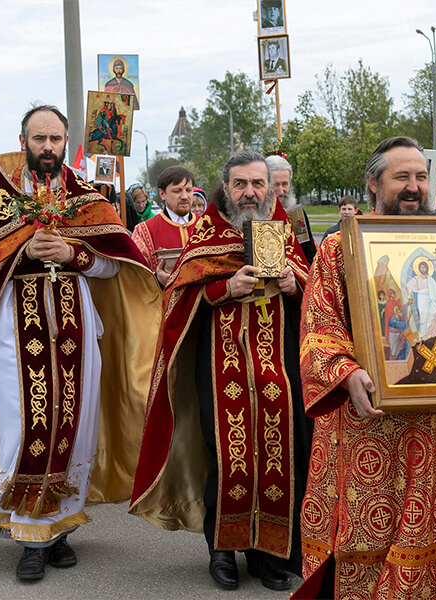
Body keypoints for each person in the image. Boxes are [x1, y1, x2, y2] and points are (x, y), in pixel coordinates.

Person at [0, 104, 161, 582]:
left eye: (56, 139)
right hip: (13, 334)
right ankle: (27, 534)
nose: (48, 148)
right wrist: (22, 250)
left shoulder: (85, 194)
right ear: (24, 142)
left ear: (64, 142)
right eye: (39, 139)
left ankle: (58, 530)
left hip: (78, 331)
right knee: (26, 426)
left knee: (73, 427)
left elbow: (115, 265)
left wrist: (73, 252)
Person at [294, 136, 436, 599]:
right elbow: (318, 331)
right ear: (373, 184)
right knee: (365, 542)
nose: (413, 187)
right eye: (401, 177)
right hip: (369, 430)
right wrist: (345, 371)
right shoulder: (340, 249)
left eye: (421, 177)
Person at [131, 151, 312, 592]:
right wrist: (224, 287)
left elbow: (316, 291)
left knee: (280, 450)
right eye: (240, 184)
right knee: (229, 455)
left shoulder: (283, 231)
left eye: (257, 183)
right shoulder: (207, 232)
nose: (250, 192)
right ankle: (222, 550)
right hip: (221, 366)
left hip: (278, 368)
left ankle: (270, 554)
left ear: (269, 187)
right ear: (225, 188)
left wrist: (295, 285)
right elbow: (179, 297)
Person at [131, 166, 198, 286]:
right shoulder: (144, 231)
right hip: (162, 302)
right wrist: (157, 278)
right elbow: (134, 275)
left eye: (188, 190)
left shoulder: (207, 225)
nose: (184, 196)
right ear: (162, 194)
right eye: (177, 191)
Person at [266, 154, 316, 264]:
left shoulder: (297, 214)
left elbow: (309, 254)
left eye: (284, 184)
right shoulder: (254, 214)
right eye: (275, 185)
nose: (281, 190)